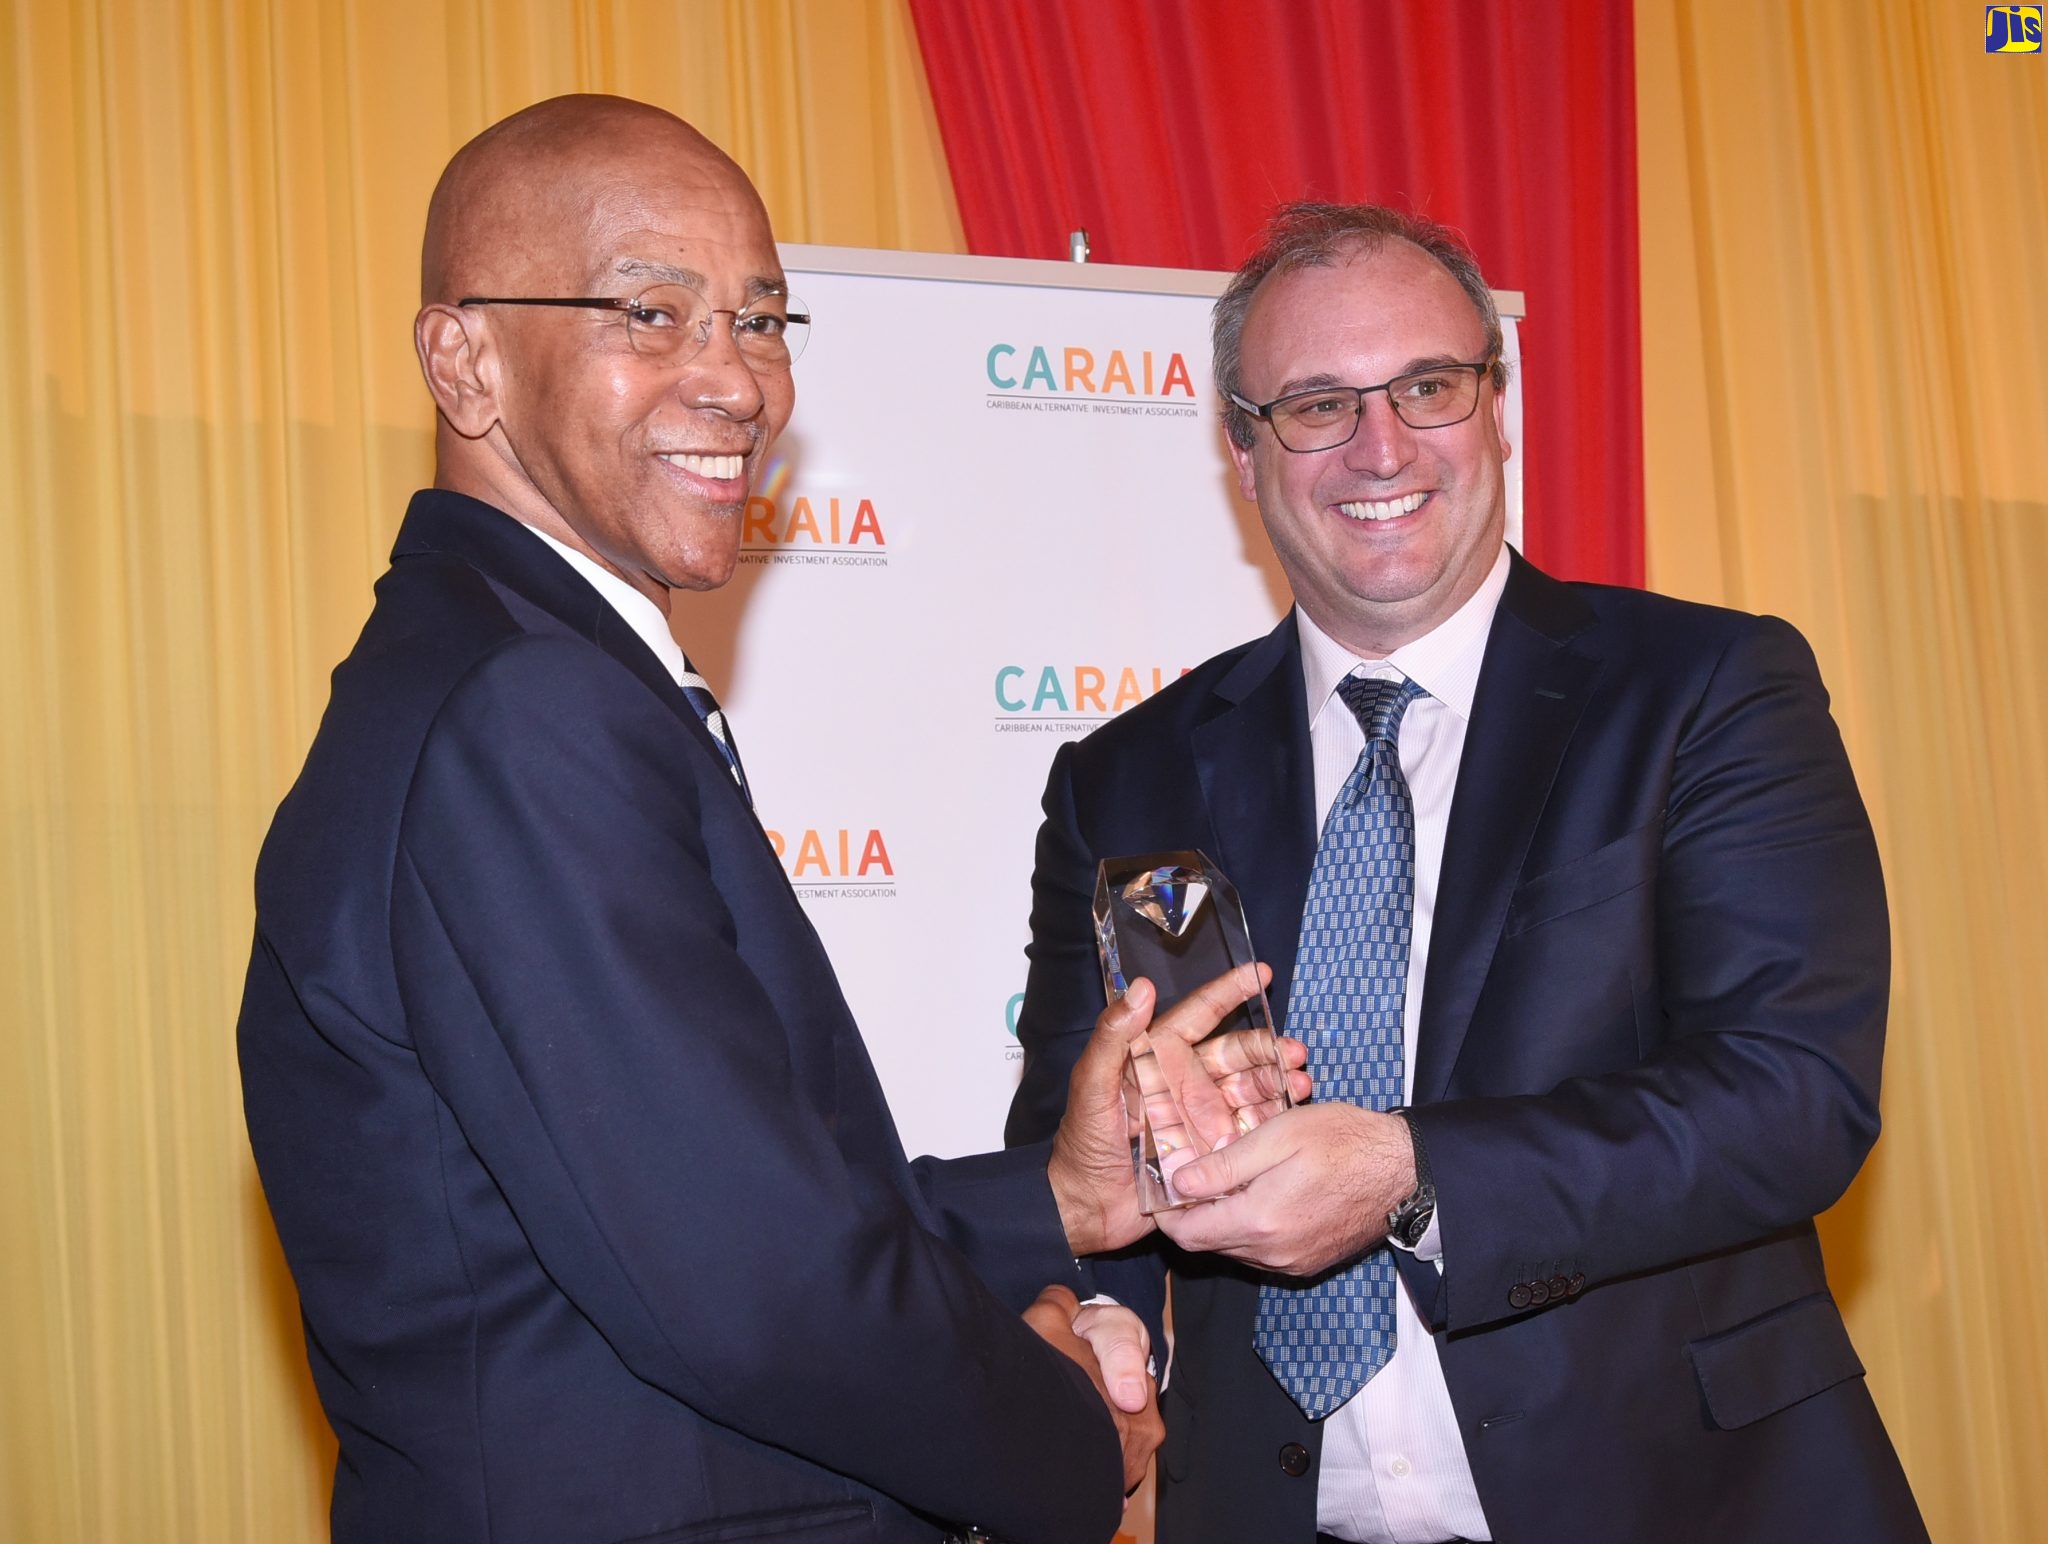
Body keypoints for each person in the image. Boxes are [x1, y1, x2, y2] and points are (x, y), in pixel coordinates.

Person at [236, 94, 1285, 1544]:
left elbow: (721, 1210)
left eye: (762, 320)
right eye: (653, 315)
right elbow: (754, 1293)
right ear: (463, 359)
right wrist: (1072, 1434)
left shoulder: (508, 670)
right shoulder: (526, 709)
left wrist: (1052, 1196)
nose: (736, 382)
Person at [1006, 202, 1929, 1544]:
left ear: (1495, 405)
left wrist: (1408, 1169)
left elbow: (1793, 1100)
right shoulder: (1125, 778)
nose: (1381, 448)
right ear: (1243, 453)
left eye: (1429, 387)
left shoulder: (1708, 691)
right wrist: (1098, 1286)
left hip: (1683, 1502)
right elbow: (1069, 1150)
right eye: (1317, 404)